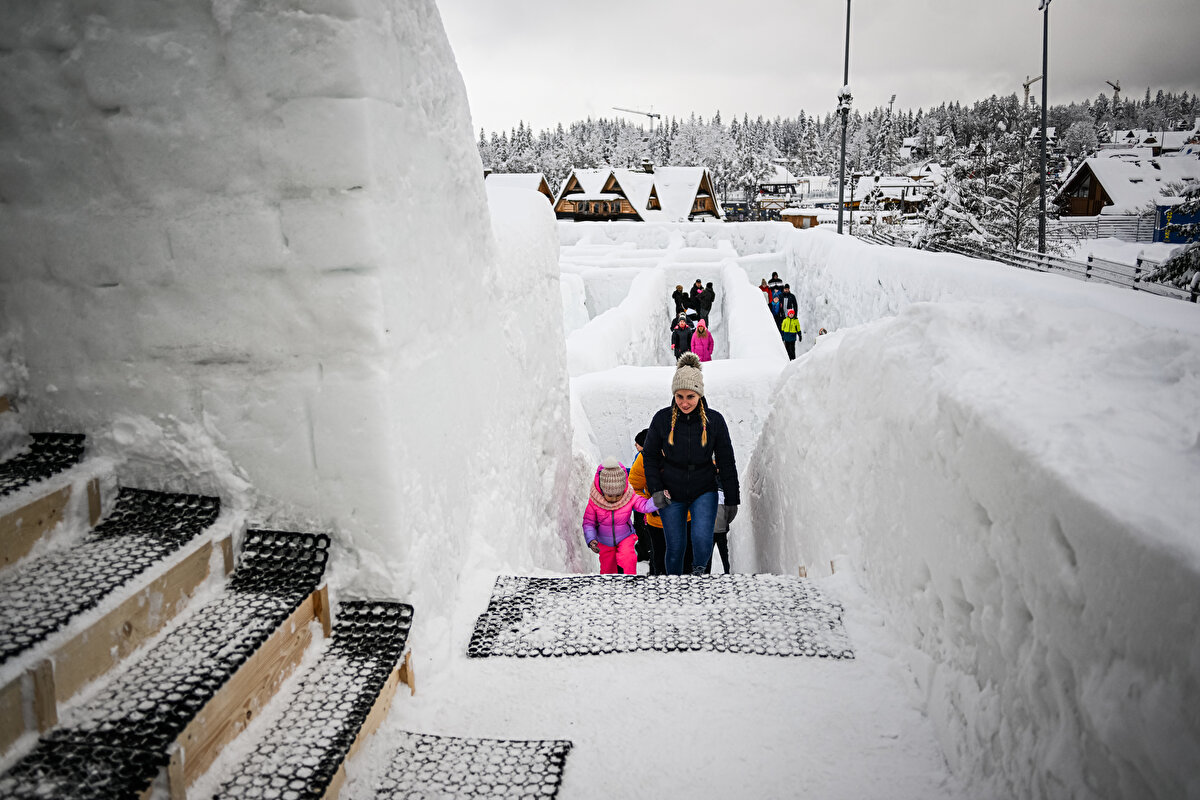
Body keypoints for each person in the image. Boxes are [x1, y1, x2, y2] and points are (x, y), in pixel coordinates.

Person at [642, 353, 740, 576]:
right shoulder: (662, 419)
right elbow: (649, 456)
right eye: (679, 396)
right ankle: (674, 584)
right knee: (675, 548)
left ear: (699, 395)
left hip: (703, 488)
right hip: (671, 491)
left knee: (702, 539)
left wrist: (732, 498)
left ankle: (698, 578)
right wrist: (656, 490)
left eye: (690, 396)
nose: (684, 402)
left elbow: (726, 460)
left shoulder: (714, 421)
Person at [582, 456, 660, 575]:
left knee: (628, 558)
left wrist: (658, 500)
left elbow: (643, 505)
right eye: (610, 495)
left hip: (625, 537)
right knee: (608, 569)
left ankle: (630, 581)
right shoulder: (595, 502)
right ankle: (609, 588)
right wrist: (591, 539)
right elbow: (589, 522)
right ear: (602, 491)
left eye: (618, 495)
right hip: (604, 540)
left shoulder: (628, 496)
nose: (614, 499)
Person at [629, 430, 671, 575]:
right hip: (654, 517)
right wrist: (649, 505)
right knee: (657, 552)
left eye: (638, 443)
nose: (635, 445)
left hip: (681, 519)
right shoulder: (642, 459)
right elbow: (634, 485)